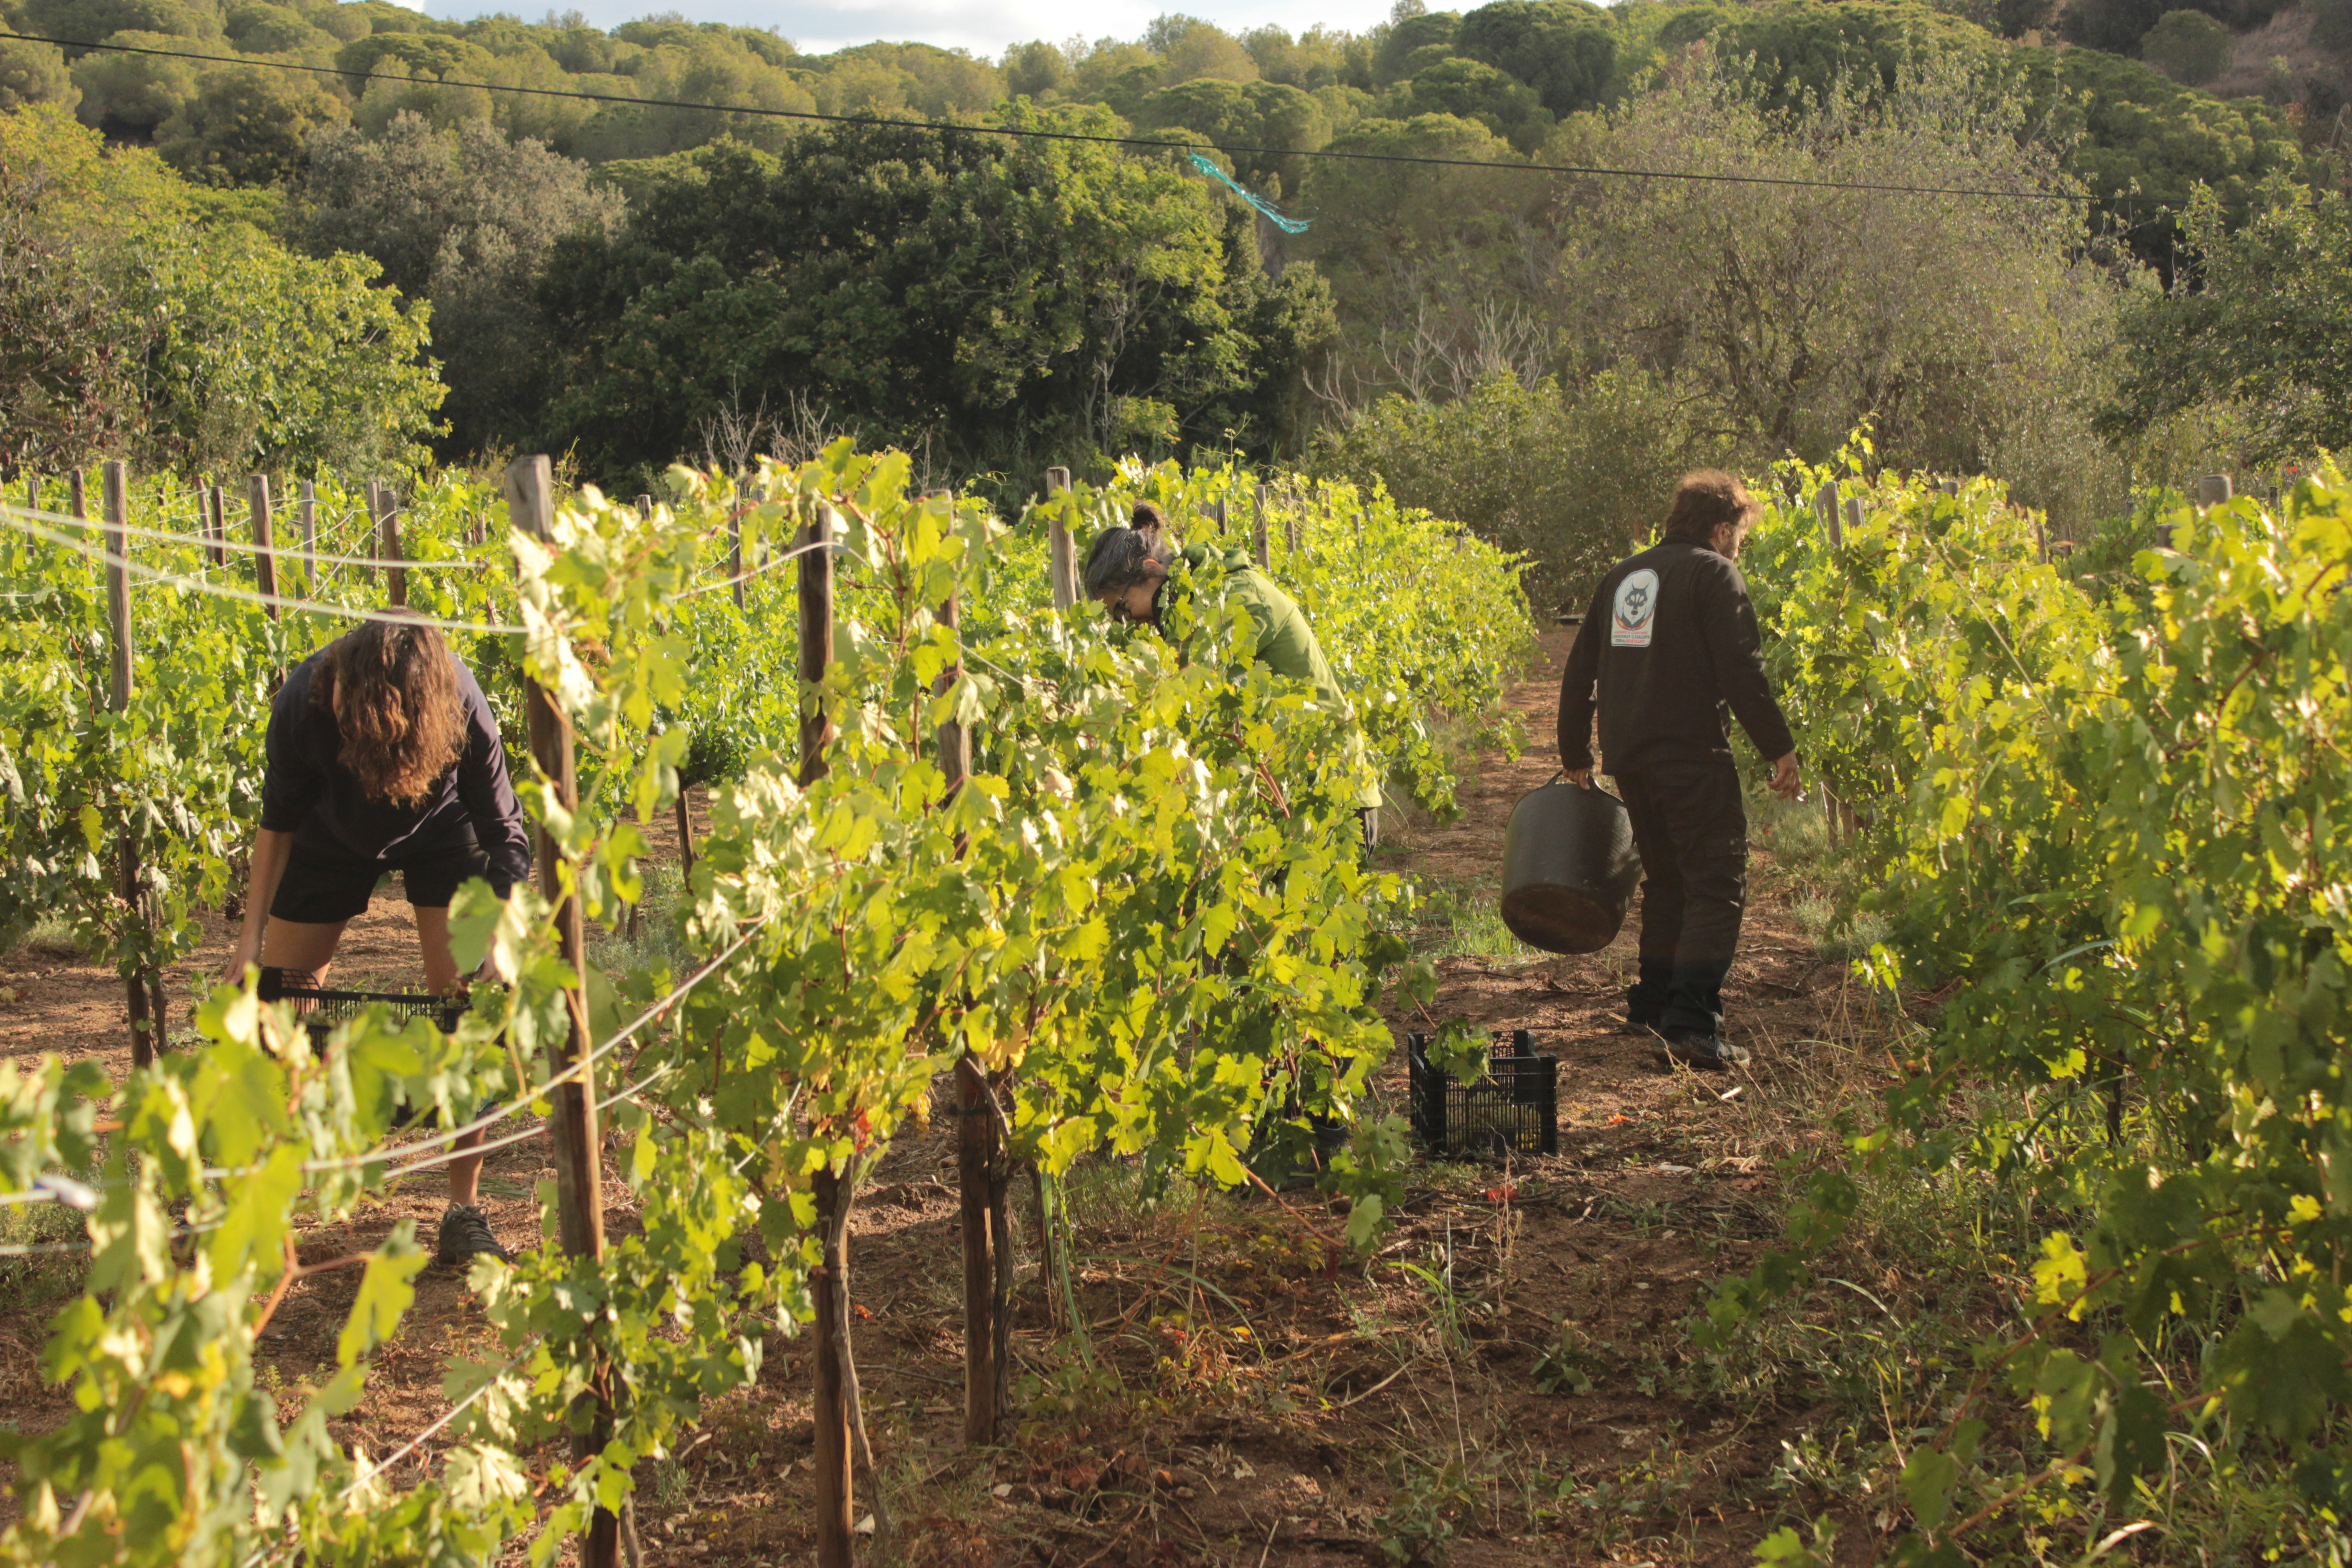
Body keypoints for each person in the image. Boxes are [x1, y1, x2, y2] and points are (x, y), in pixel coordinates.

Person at [222, 610, 534, 1266]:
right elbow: (277, 826)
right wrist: (249, 941)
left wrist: (502, 938)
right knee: (278, 1006)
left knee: (470, 1016)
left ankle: (463, 1214)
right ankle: (272, 1194)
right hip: (328, 837)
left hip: (445, 831)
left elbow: (506, 834)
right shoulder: (304, 702)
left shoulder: (463, 701)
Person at [1557, 471, 1801, 1071]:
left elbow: (1579, 669)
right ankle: (1693, 1021)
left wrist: (1575, 753)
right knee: (1717, 884)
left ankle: (1654, 1003)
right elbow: (1742, 671)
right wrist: (1780, 748)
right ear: (1720, 529)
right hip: (1691, 757)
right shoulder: (1715, 573)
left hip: (1632, 761)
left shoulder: (1622, 577)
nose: (1739, 547)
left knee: (1668, 883)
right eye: (1739, 535)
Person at [1082, 505, 1384, 839]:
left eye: (1124, 609)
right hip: (1288, 797)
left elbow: (1199, 703)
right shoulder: (1194, 610)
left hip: (1332, 797)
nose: (1130, 623)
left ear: (1152, 569)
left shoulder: (1233, 598)